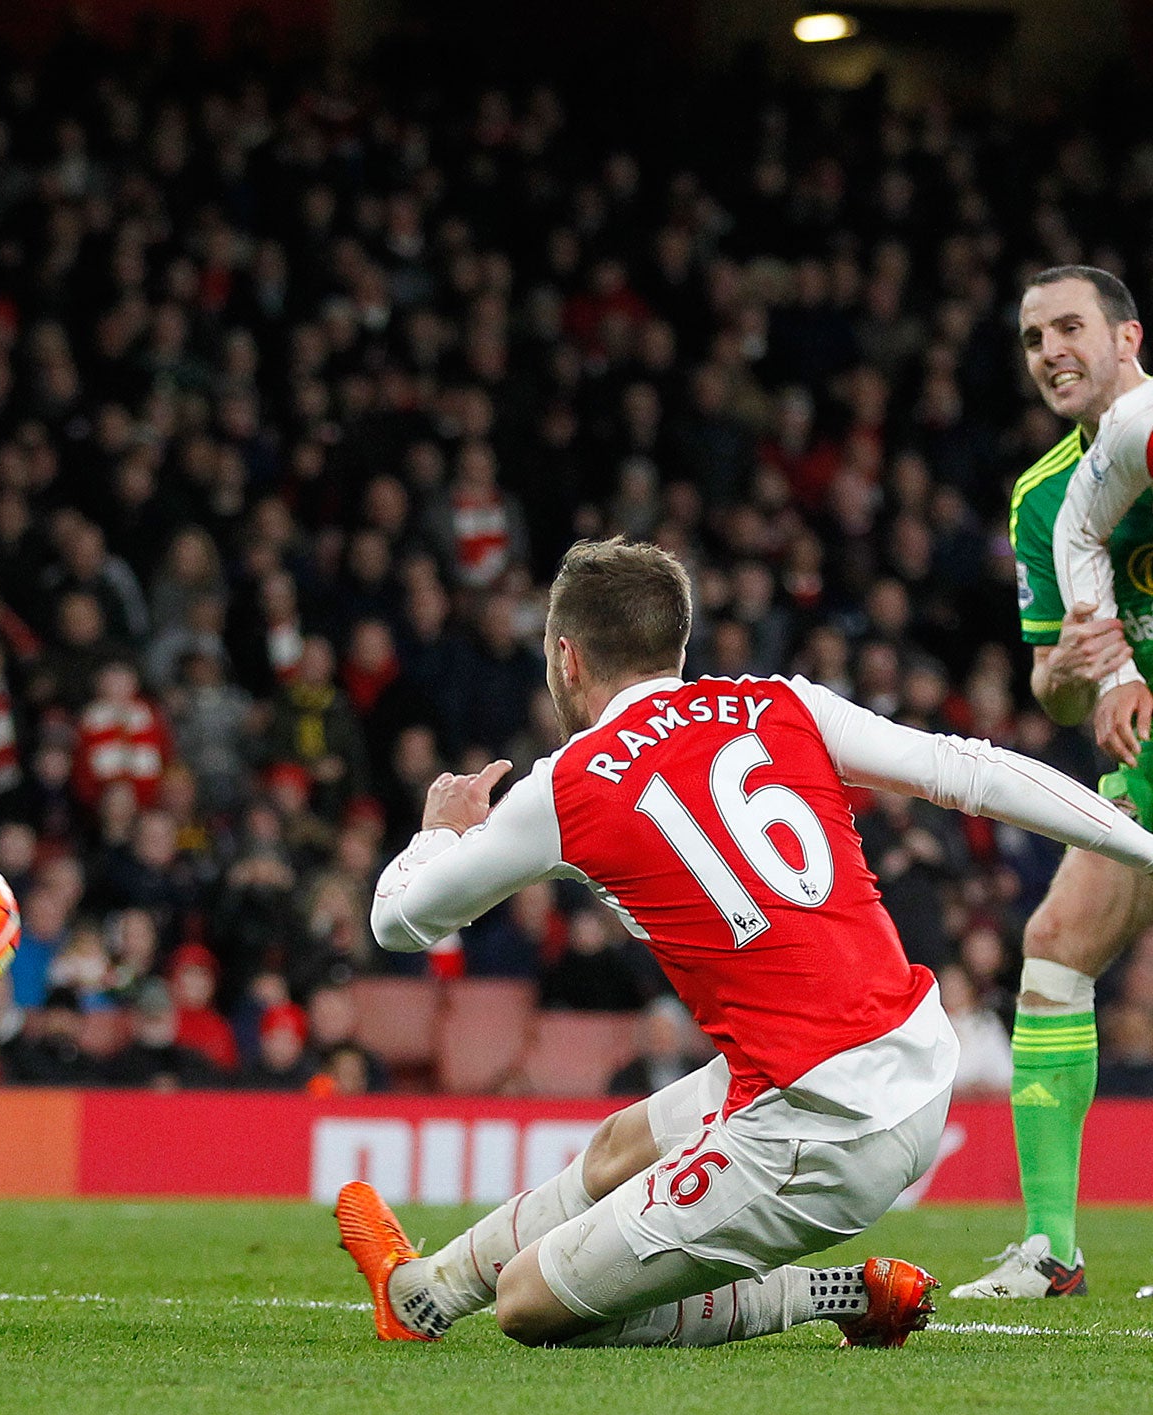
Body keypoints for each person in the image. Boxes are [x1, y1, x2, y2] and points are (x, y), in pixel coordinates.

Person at [338, 537, 1153, 1351]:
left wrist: (438, 834)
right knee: (622, 1144)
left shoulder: (567, 785)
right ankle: (426, 1290)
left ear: (566, 656)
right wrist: (1141, 845)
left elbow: (398, 922)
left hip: (825, 1125)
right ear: (680, 646)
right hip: (910, 1052)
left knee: (527, 1304)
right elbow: (972, 772)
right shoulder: (782, 702)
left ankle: (828, 1294)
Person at [953, 265, 1153, 1300]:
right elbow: (1052, 695)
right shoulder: (1039, 499)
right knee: (1052, 948)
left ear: (1126, 336)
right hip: (1136, 755)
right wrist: (1066, 675)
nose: (1049, 353)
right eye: (1033, 338)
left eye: (1068, 327)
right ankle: (1049, 1248)